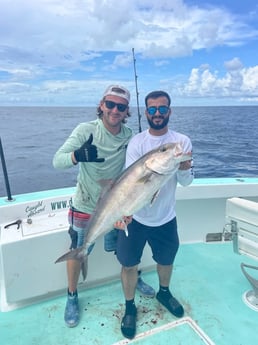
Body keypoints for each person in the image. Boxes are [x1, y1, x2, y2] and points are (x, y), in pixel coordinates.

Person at [53, 85, 154, 328]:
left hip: (118, 204)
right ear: (101, 105)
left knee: (125, 247)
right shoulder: (85, 130)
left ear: (127, 111)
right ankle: (72, 295)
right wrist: (78, 155)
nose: (115, 110)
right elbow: (57, 161)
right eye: (110, 104)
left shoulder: (130, 136)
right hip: (85, 204)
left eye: (121, 107)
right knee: (78, 249)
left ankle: (134, 276)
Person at [116, 90, 194, 339]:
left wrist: (183, 168)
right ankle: (130, 307)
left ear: (169, 111)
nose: (157, 113)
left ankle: (163, 291)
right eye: (152, 109)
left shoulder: (181, 142)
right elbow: (130, 184)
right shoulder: (137, 142)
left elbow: (187, 182)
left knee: (166, 260)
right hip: (137, 218)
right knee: (129, 264)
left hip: (165, 218)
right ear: (146, 113)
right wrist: (123, 212)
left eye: (162, 109)